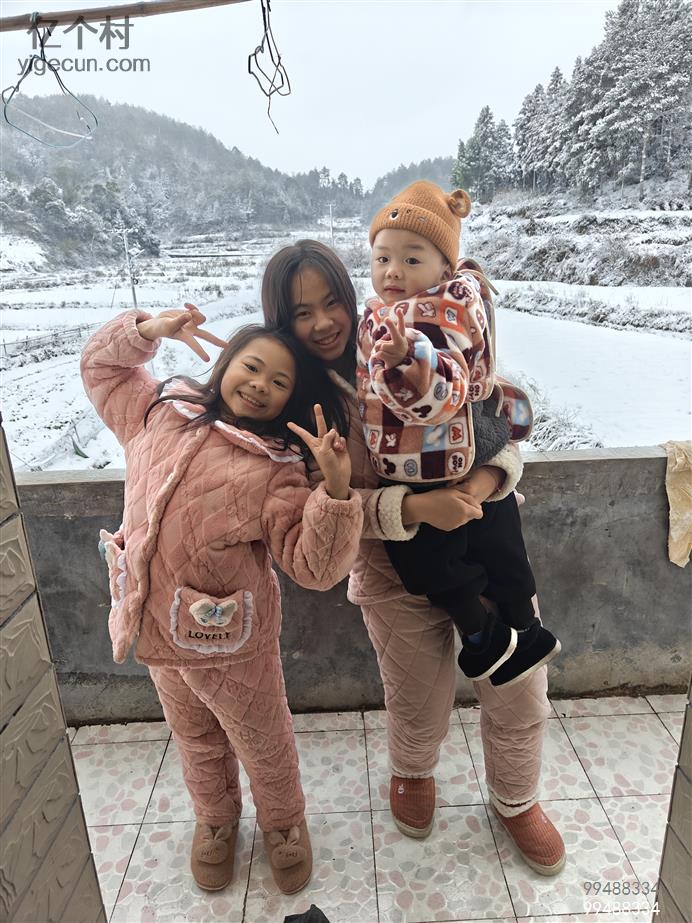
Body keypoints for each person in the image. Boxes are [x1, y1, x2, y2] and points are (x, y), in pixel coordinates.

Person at [262, 239, 566, 875]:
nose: (323, 322)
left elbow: (495, 424)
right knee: (416, 698)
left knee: (519, 687)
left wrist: (483, 482)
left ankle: (516, 799)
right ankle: (413, 771)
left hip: (482, 543)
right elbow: (319, 507)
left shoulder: (423, 338)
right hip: (390, 575)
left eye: (331, 302)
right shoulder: (295, 404)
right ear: (282, 323)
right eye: (301, 313)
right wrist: (419, 508)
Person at [81, 307, 364, 895]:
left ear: (289, 400)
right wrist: (146, 333)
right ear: (226, 363)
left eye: (278, 381)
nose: (260, 385)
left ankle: (284, 824)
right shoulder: (159, 411)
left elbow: (314, 568)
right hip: (156, 629)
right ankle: (215, 818)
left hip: (233, 645)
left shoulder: (275, 469)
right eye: (251, 367)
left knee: (263, 740)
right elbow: (101, 370)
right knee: (195, 737)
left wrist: (336, 491)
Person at [358, 180, 560, 686]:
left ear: (444, 270)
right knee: (493, 552)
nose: (393, 271)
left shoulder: (433, 315)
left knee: (430, 563)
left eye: (411, 259)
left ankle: (486, 636)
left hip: (432, 462)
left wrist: (410, 361)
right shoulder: (394, 313)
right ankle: (520, 632)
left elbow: (443, 390)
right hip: (440, 465)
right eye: (382, 259)